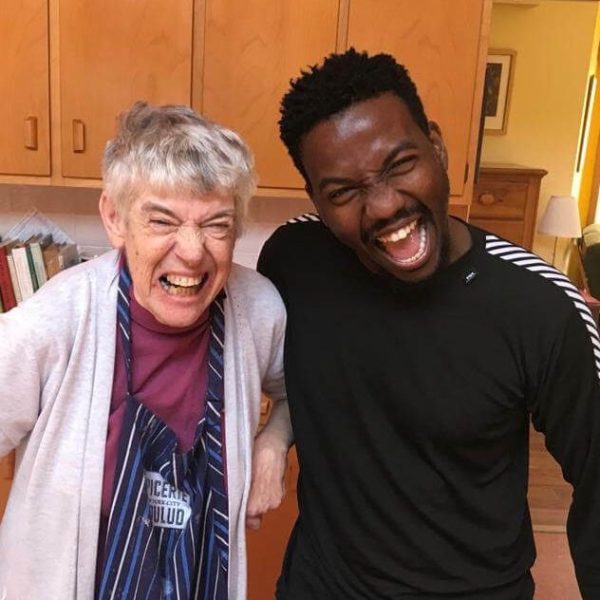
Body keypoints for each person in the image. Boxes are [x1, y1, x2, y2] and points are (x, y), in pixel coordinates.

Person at [257, 48, 600, 599]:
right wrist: (274, 438)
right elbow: (289, 378)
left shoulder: (538, 305)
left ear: (437, 147)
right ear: (318, 202)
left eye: (400, 166)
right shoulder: (295, 260)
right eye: (344, 192)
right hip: (320, 584)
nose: (385, 207)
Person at [0, 101, 291, 599]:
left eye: (217, 224)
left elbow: (298, 392)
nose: (193, 250)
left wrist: (274, 443)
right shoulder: (54, 323)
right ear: (114, 219)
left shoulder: (257, 308)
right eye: (162, 221)